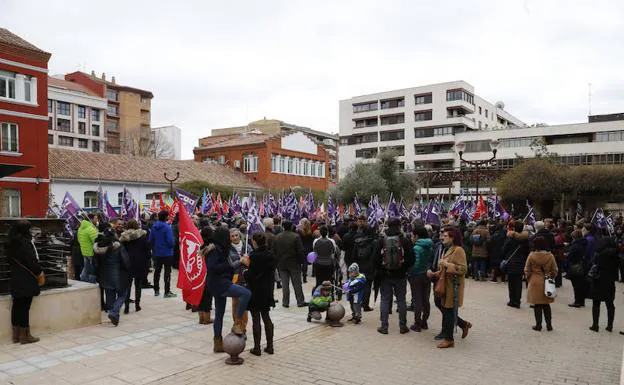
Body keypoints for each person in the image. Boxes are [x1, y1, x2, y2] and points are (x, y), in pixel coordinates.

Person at [206, 227, 252, 352]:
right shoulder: (215, 249)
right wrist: (228, 266)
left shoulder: (220, 248)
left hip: (218, 282)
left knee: (219, 314)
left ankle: (218, 343)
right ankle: (237, 322)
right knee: (246, 293)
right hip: (220, 283)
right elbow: (212, 267)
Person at [428, 227, 470, 349]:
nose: (442, 237)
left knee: (448, 312)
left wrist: (447, 265)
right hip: (444, 285)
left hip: (453, 287)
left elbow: (463, 269)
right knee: (446, 310)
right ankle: (462, 325)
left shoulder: (459, 250)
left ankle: (449, 339)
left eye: (445, 236)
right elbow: (443, 270)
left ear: (453, 237)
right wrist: (434, 273)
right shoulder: (446, 250)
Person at [376, 217, 414, 335]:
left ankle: (384, 326)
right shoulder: (404, 240)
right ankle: (403, 326)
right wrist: (404, 268)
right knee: (401, 300)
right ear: (399, 226)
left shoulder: (381, 240)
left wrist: (381, 269)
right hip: (400, 275)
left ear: (387, 225)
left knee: (385, 300)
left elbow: (375, 259)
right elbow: (411, 258)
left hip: (385, 275)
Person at [7, 220, 43, 344]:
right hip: (26, 279)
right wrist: (40, 271)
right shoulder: (24, 244)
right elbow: (32, 262)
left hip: (15, 279)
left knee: (16, 306)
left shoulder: (10, 243)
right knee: (24, 308)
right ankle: (25, 336)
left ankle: (16, 336)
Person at [242, 232, 276, 356]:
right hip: (267, 289)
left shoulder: (254, 256)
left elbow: (251, 276)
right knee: (266, 317)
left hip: (255, 290)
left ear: (255, 242)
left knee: (256, 318)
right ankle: (270, 346)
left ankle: (257, 348)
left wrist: (246, 269)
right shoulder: (271, 255)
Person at [94, 226, 130, 326]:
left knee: (110, 295)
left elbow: (95, 263)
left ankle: (113, 315)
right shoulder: (118, 246)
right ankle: (114, 312)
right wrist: (128, 269)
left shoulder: (98, 247)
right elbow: (125, 261)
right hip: (118, 274)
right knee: (123, 294)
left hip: (104, 275)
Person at [525, 236, 558, 331]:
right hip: (547, 280)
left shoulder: (531, 255)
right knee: (546, 304)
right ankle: (549, 325)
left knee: (537, 305)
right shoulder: (550, 256)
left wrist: (529, 278)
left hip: (535, 280)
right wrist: (552, 276)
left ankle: (538, 325)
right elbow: (555, 269)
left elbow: (527, 269)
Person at [273, 220, 307, 308]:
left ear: (283, 227)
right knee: (297, 283)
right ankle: (300, 301)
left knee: (285, 284)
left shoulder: (277, 237)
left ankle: (285, 302)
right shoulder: (296, 236)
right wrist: (301, 261)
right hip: (294, 263)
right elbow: (300, 250)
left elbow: (273, 250)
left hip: (281, 263)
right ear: (291, 226)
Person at [119, 219, 150, 313]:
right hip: (140, 263)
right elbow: (147, 251)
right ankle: (137, 305)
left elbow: (121, 252)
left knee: (127, 286)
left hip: (127, 264)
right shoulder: (142, 236)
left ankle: (127, 307)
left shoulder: (124, 238)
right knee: (138, 285)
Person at [589, 237, 619, 332]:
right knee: (610, 304)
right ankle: (610, 325)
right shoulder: (615, 254)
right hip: (610, 281)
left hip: (599, 280)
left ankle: (595, 325)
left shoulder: (599, 253)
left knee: (596, 303)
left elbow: (593, 263)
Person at [409, 225, 433, 332]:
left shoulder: (416, 248)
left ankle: (417, 323)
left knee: (417, 300)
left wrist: (410, 272)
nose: (411, 237)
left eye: (412, 235)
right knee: (425, 299)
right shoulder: (430, 245)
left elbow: (416, 264)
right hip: (427, 275)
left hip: (417, 276)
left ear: (416, 236)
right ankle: (424, 322)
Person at [353, 218, 379, 311]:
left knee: (360, 285)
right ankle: (365, 304)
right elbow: (376, 255)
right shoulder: (374, 242)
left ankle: (358, 304)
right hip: (370, 265)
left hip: (360, 265)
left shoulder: (357, 241)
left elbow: (354, 255)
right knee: (368, 285)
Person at [149, 210, 177, 298]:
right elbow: (170, 241)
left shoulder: (154, 226)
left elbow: (150, 240)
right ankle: (167, 291)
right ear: (165, 217)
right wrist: (173, 243)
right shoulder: (167, 227)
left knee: (157, 271)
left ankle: (156, 290)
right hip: (167, 253)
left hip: (157, 253)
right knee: (167, 272)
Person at [502, 220, 530, 308]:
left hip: (511, 262)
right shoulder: (525, 240)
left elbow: (504, 249)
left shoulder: (510, 238)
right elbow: (527, 251)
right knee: (518, 282)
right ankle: (517, 301)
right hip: (521, 263)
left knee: (511, 282)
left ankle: (512, 300)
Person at [312, 225, 338, 294]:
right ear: (327, 233)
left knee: (319, 281)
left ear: (320, 232)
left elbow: (314, 252)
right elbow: (334, 251)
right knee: (329, 280)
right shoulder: (331, 241)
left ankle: (319, 294)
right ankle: (329, 294)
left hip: (318, 263)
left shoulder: (315, 241)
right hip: (329, 263)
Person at [565, 230, 587, 307]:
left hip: (575, 266)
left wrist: (567, 254)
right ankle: (581, 301)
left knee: (576, 285)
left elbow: (570, 256)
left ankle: (577, 301)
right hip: (582, 265)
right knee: (581, 284)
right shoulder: (584, 243)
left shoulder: (575, 246)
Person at [198, 226, 215, 325]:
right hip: (208, 274)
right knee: (208, 297)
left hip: (201, 274)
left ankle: (201, 318)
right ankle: (207, 318)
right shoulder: (212, 248)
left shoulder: (202, 246)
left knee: (201, 296)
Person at [77, 213, 98, 283]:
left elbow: (79, 240)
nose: (97, 220)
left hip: (84, 251)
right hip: (91, 252)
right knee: (93, 270)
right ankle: (92, 283)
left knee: (86, 267)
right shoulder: (91, 229)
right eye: (96, 218)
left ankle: (83, 280)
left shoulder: (80, 228)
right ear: (91, 219)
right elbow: (96, 241)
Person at [298, 218, 315, 283]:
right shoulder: (310, 231)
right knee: (305, 263)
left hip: (301, 248)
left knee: (300, 262)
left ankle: (300, 276)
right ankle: (304, 277)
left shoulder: (300, 231)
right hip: (308, 248)